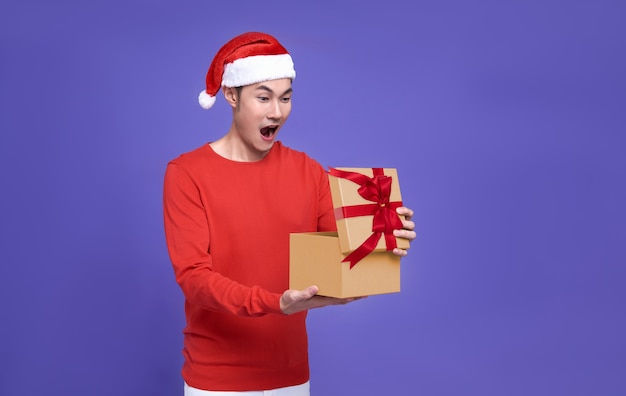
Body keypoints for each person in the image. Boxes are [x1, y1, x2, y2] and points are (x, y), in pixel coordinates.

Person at [163, 32, 416, 396]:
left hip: (292, 378)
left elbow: (344, 249)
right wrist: (274, 303)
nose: (277, 112)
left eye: (285, 98)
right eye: (263, 97)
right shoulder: (187, 173)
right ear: (231, 95)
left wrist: (386, 234)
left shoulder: (308, 171)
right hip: (216, 381)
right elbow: (193, 277)